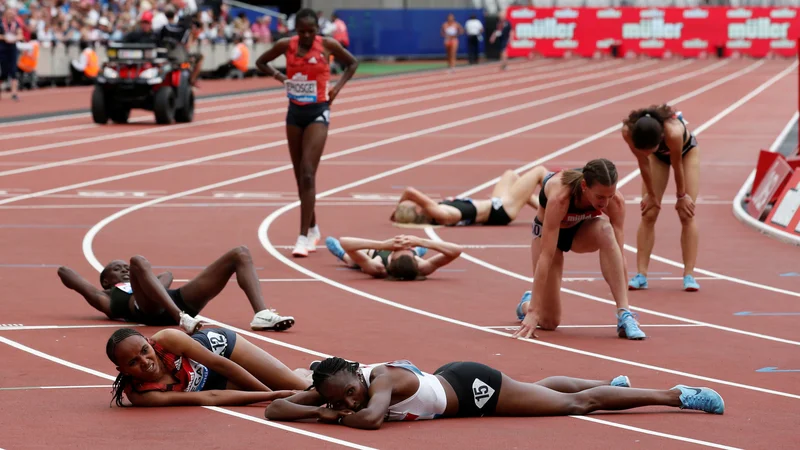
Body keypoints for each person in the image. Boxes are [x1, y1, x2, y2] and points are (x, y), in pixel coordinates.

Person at [264, 357, 725, 429]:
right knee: (539, 389)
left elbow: (371, 421)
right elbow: (275, 411)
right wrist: (316, 404)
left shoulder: (378, 381)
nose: (345, 401)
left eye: (346, 394)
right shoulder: (339, 387)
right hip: (455, 383)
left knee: (574, 406)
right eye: (336, 398)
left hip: (473, 390)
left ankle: (676, 395)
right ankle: (615, 384)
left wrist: (333, 417)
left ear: (356, 379)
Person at [255, 8, 359, 258]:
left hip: (318, 112)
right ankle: (313, 228)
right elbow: (261, 62)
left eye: (310, 32)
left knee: (309, 174)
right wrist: (280, 77)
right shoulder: (285, 44)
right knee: (299, 176)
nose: (306, 36)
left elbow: (352, 63)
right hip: (294, 113)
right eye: (301, 31)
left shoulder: (327, 44)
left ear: (317, 30)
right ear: (295, 30)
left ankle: (302, 237)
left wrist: (337, 89)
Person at [512, 159, 646, 341]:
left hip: (581, 232)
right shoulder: (560, 198)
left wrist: (625, 308)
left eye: (610, 195)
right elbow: (547, 255)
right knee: (550, 322)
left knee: (607, 231)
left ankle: (624, 315)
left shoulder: (615, 202)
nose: (605, 203)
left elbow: (618, 254)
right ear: (584, 186)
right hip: (550, 237)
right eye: (600, 197)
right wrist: (534, 311)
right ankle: (527, 303)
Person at [57, 246, 295, 333]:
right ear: (106, 282)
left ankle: (262, 314)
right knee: (138, 259)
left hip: (175, 300)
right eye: (117, 270)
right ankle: (181, 318)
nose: (124, 271)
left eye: (125, 269)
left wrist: (151, 284)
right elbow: (65, 273)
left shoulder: (149, 280)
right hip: (148, 310)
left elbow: (167, 275)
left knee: (240, 253)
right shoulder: (105, 298)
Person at [105, 327, 310, 407]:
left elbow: (219, 363)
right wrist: (271, 397)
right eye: (133, 362)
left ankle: (308, 375)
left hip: (222, 350)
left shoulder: (168, 339)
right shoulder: (143, 395)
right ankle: (303, 373)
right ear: (122, 370)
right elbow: (209, 397)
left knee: (301, 389)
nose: (145, 362)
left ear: (149, 342)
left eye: (144, 351)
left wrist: (271, 393)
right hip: (212, 384)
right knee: (286, 394)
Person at [621, 104, 700, 292]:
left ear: (660, 139)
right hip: (659, 159)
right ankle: (641, 274)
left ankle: (689, 275)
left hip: (685, 154)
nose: (646, 152)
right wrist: (651, 195)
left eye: (650, 148)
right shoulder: (628, 132)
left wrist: (681, 196)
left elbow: (677, 164)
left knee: (686, 213)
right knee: (649, 212)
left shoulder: (672, 132)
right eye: (644, 150)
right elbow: (643, 163)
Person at [391, 166, 547, 227]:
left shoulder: (435, 211)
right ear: (417, 211)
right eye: (412, 205)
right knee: (540, 172)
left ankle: (545, 212)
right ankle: (564, 206)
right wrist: (397, 210)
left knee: (511, 175)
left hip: (496, 203)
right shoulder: (441, 215)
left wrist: (397, 215)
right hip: (502, 210)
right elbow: (409, 192)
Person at [324, 235, 462, 280]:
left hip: (373, 254)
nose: (403, 247)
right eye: (408, 250)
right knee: (418, 249)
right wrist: (421, 241)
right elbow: (457, 250)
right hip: (410, 259)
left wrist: (383, 245)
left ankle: (342, 255)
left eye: (400, 250)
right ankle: (419, 250)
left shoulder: (378, 267)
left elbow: (345, 241)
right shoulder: (423, 267)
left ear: (393, 259)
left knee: (353, 261)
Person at [0, 7, 23, 102]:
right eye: (9, 13)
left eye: (12, 13)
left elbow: (20, 34)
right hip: (2, 49)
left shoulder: (16, 24)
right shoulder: (1, 24)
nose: (11, 15)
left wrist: (15, 38)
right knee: (4, 72)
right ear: (5, 14)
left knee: (14, 71)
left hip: (12, 49)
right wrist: (5, 37)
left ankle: (14, 93)